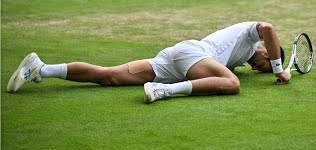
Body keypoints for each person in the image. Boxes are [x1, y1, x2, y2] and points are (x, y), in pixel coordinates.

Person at [7, 21, 291, 103]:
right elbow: (268, 26)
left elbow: (220, 69)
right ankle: (163, 91)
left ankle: (40, 68)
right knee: (232, 83)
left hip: (174, 58)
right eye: (265, 65)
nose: (258, 69)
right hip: (192, 54)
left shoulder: (240, 55)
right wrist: (280, 71)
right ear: (268, 51)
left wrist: (270, 69)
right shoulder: (252, 35)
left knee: (108, 76)